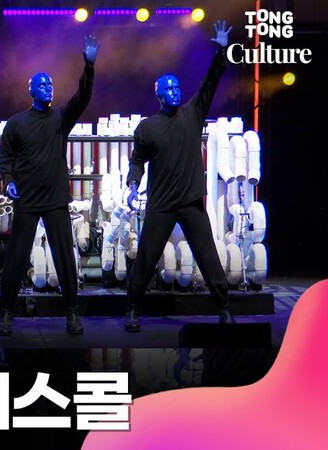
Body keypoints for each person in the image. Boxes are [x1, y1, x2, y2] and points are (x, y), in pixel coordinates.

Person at [124, 20, 236, 333]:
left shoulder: (192, 113)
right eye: (169, 89)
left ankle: (224, 309)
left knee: (208, 256)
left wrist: (221, 51)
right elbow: (137, 161)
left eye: (177, 87)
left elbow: (210, 82)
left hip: (190, 201)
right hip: (161, 203)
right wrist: (132, 185)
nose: (175, 92)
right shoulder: (147, 128)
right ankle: (132, 309)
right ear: (158, 94)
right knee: (147, 258)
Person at [0, 36, 100, 337]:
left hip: (55, 199)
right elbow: (5, 159)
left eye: (50, 85)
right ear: (31, 90)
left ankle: (71, 313)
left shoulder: (60, 119)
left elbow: (82, 98)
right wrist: (9, 182)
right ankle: (6, 314)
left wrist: (89, 66)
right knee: (16, 258)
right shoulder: (16, 123)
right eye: (42, 85)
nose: (48, 88)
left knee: (65, 258)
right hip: (27, 200)